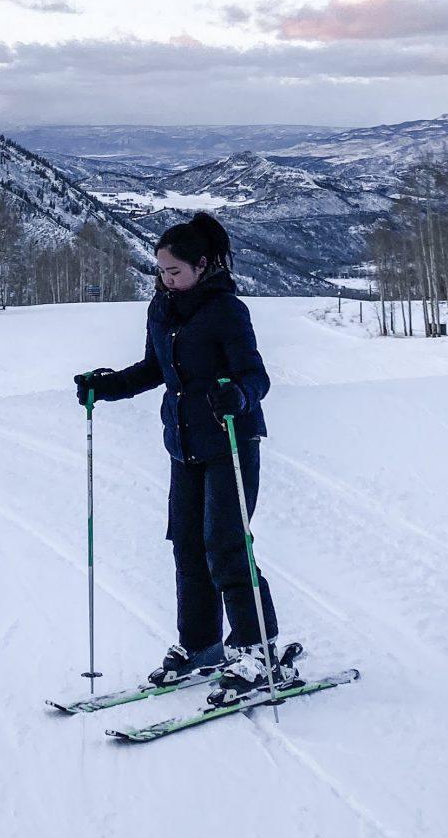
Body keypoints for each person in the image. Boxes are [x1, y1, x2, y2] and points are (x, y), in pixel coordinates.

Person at [74, 211, 295, 702]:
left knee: (226, 544)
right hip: (183, 445)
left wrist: (238, 395)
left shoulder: (226, 311)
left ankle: (257, 648)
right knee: (188, 545)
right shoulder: (162, 309)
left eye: (174, 272)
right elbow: (155, 368)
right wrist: (105, 387)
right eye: (161, 271)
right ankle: (201, 645)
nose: (166, 279)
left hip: (231, 443)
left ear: (202, 265)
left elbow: (257, 378)